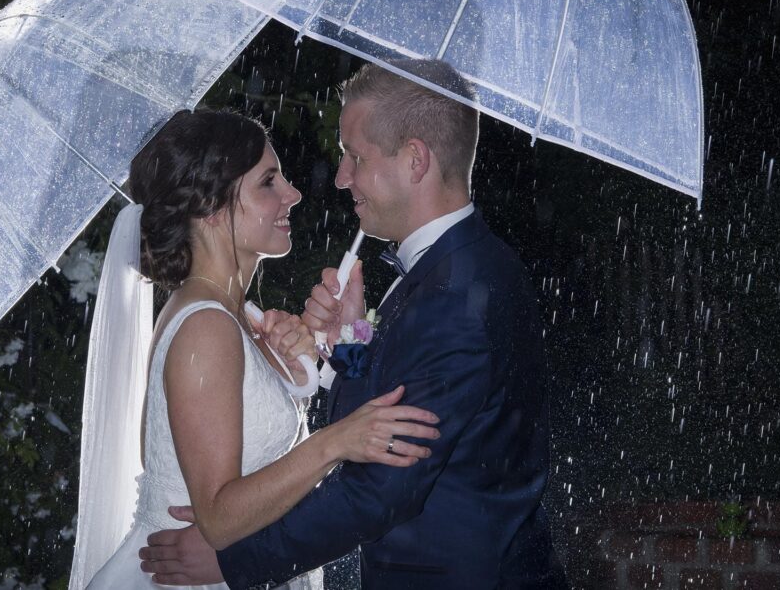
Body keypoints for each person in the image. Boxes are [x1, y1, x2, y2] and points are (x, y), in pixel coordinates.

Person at [138, 62, 567, 589]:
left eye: (354, 157)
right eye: (270, 181)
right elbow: (369, 421)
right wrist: (349, 342)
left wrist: (235, 563)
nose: (338, 178)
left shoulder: (456, 294)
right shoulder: (447, 274)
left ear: (415, 160)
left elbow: (383, 487)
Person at [70, 110, 440, 589]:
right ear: (212, 207)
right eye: (269, 182)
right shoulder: (206, 327)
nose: (293, 194)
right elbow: (221, 518)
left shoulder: (240, 316)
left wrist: (346, 335)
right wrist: (337, 441)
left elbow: (282, 440)